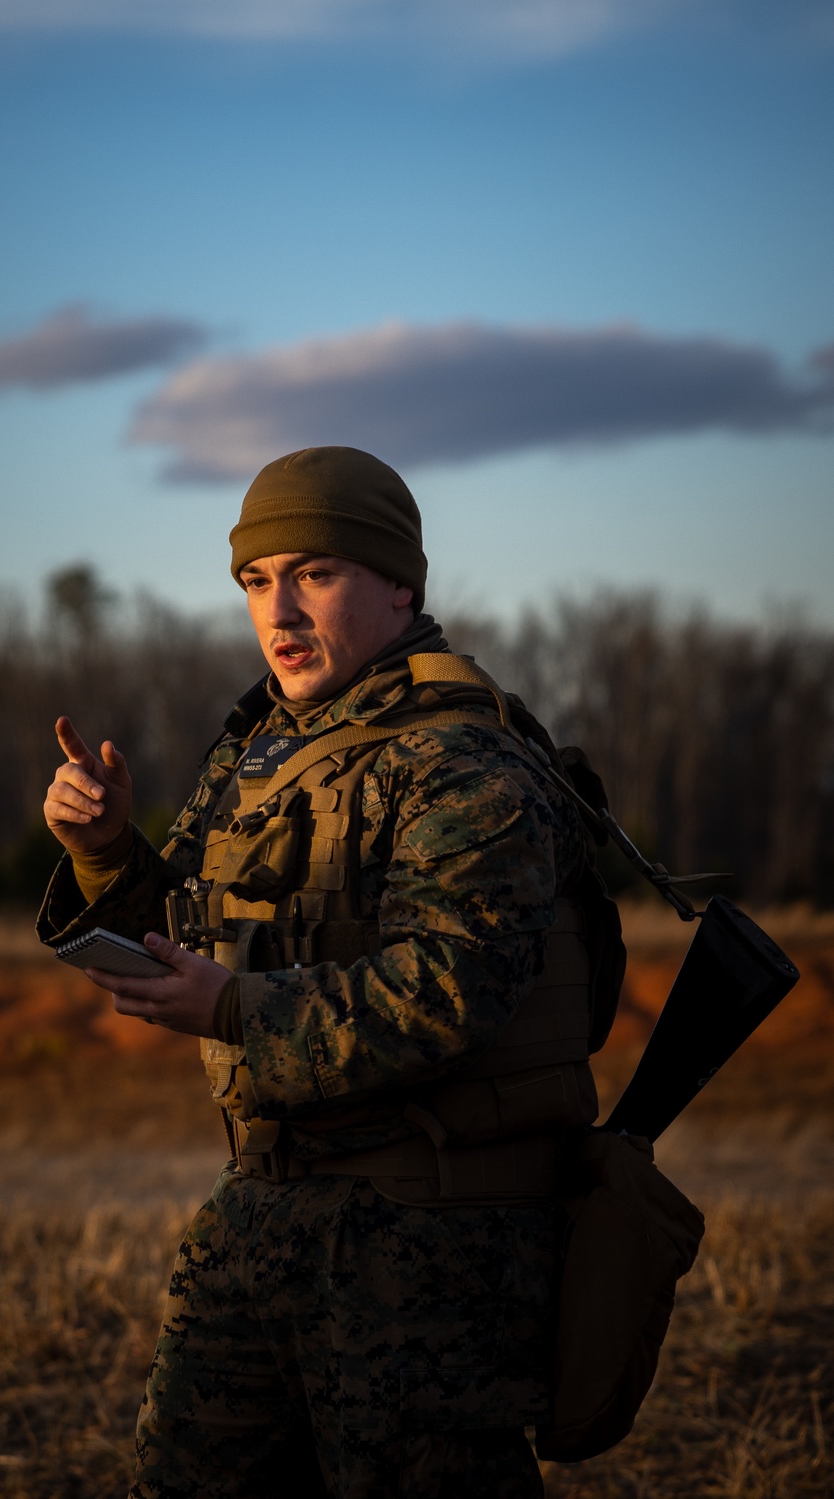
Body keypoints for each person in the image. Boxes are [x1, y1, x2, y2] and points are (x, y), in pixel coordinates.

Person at [39, 446, 604, 1499]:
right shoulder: (271, 745)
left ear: (400, 582)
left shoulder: (461, 759)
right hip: (264, 1203)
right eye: (255, 580)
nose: (279, 609)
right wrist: (108, 853)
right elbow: (194, 933)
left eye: (316, 572)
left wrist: (235, 1007)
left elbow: (452, 988)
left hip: (427, 1241)